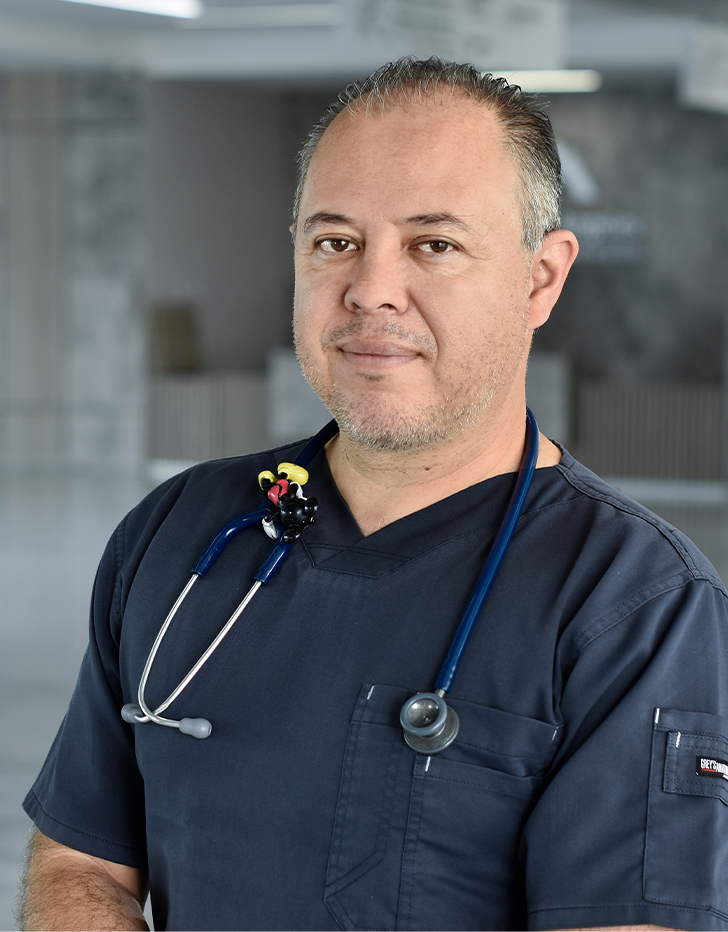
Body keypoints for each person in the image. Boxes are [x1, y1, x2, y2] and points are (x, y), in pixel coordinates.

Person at [18, 56, 728, 932]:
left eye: (434, 244)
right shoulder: (180, 531)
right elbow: (80, 860)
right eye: (335, 241)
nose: (369, 289)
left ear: (540, 279)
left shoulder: (636, 607)